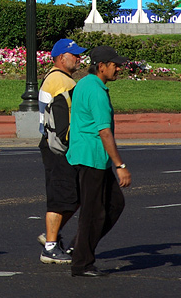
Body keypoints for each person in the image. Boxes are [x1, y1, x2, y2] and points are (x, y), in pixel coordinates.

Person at [66, 45, 131, 277]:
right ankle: (81, 263)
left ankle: (80, 245)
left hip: (91, 157)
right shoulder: (95, 90)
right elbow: (104, 131)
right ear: (101, 66)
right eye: (115, 65)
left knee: (114, 204)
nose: (119, 68)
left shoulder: (85, 83)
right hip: (92, 157)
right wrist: (120, 166)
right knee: (93, 213)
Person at [37, 38, 86, 264]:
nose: (79, 58)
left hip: (53, 144)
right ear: (59, 58)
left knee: (72, 197)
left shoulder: (56, 78)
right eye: (74, 54)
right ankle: (50, 247)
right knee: (61, 198)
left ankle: (51, 237)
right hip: (60, 147)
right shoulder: (62, 82)